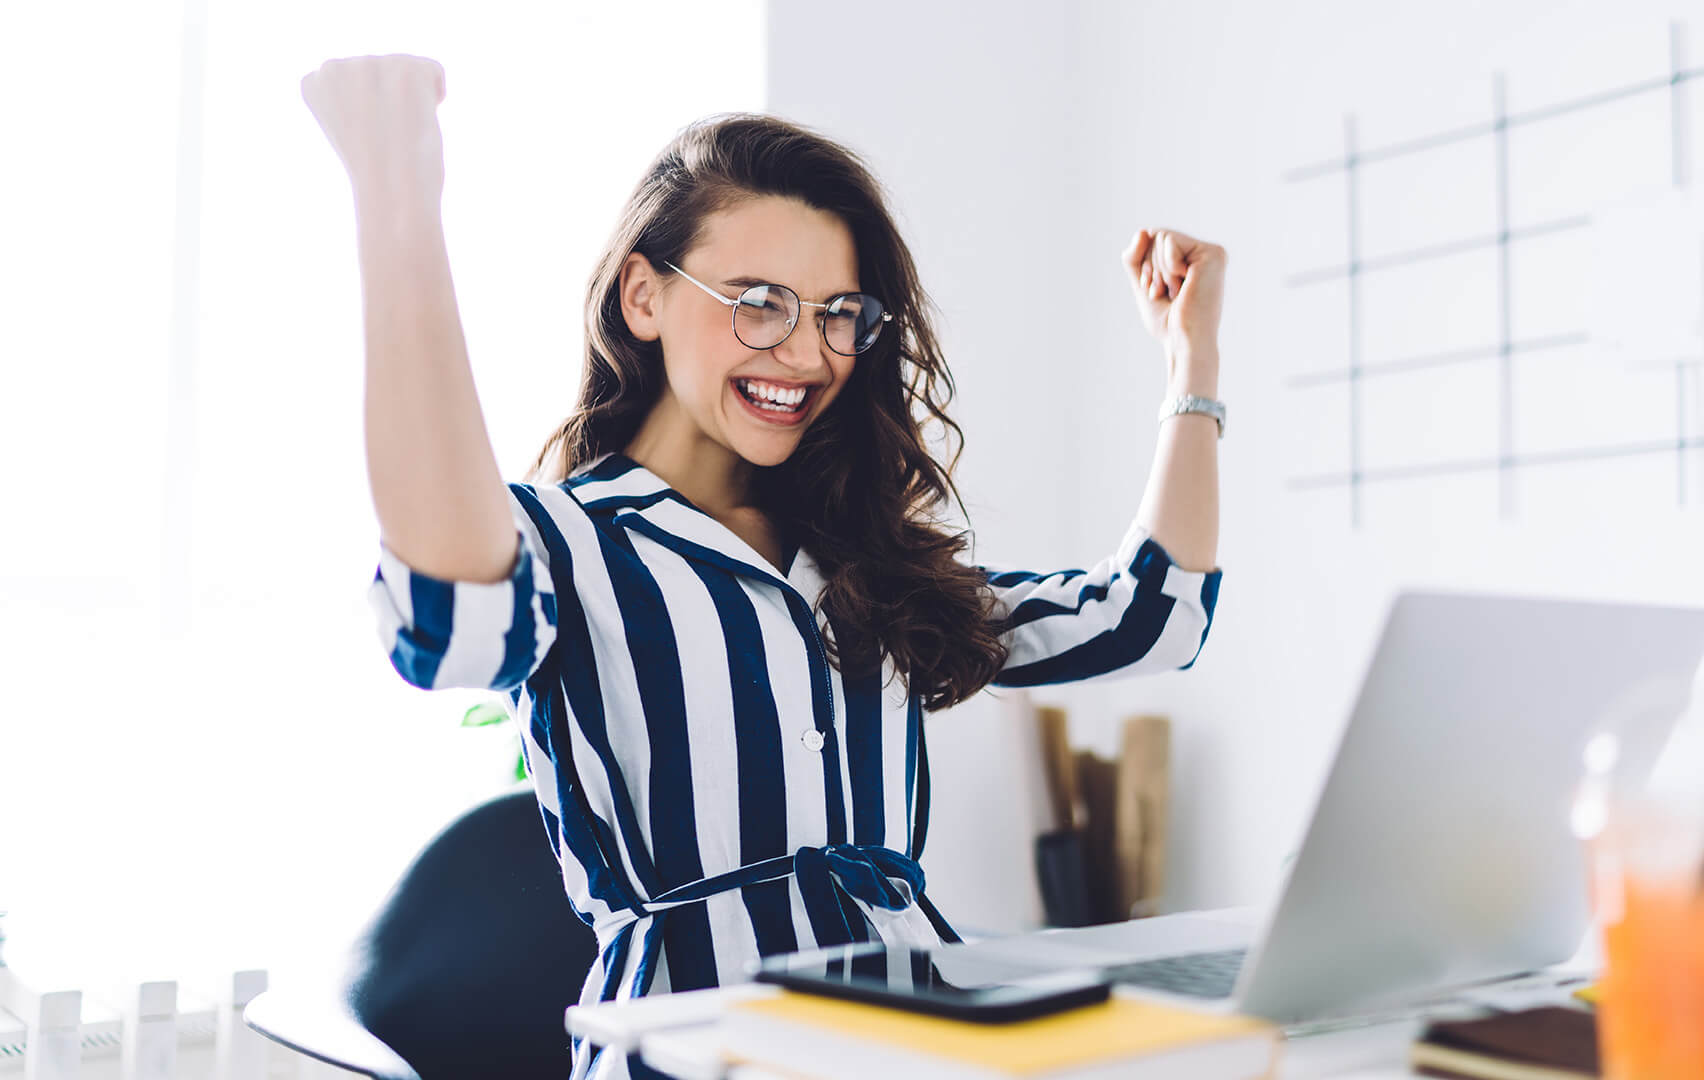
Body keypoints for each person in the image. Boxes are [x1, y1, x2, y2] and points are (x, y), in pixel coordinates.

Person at [302, 53, 1228, 1080]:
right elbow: (452, 619)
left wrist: (1194, 363)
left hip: (917, 1043)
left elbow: (1153, 617)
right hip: (692, 1054)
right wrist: (399, 200)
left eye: (838, 313)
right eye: (759, 301)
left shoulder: (864, 559)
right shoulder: (569, 544)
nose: (807, 351)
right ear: (643, 296)